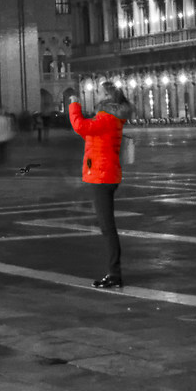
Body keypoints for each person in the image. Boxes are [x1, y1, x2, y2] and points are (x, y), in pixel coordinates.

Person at [67, 85, 130, 289]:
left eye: (100, 93)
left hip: (102, 177)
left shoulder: (105, 117)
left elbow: (80, 126)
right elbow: (90, 135)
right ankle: (114, 271)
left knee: (107, 227)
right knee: (107, 226)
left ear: (107, 98)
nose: (96, 95)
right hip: (108, 175)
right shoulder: (112, 119)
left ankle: (115, 273)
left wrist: (74, 105)